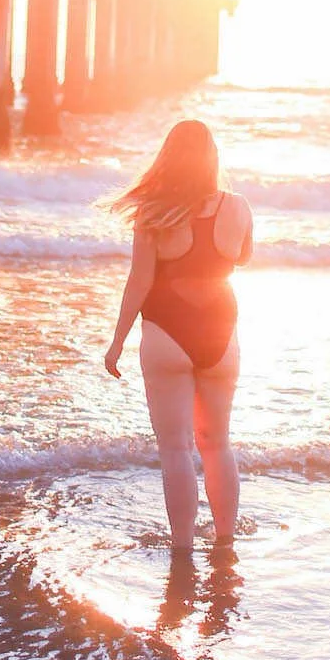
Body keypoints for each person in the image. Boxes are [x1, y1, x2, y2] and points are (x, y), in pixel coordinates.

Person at [104, 119, 254, 552]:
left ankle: (184, 547)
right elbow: (243, 257)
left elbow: (140, 281)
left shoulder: (154, 210)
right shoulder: (239, 205)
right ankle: (225, 542)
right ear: (213, 157)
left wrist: (117, 342)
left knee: (175, 449)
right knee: (217, 444)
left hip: (167, 331)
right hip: (220, 332)